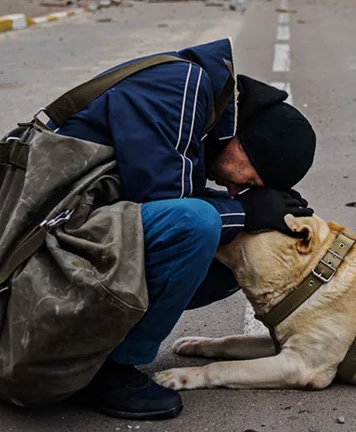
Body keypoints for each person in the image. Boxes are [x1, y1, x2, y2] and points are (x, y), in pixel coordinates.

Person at [55, 38, 317, 420]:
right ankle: (108, 373)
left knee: (233, 246)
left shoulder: (200, 104)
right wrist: (244, 210)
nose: (234, 188)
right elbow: (167, 206)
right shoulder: (182, 87)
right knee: (201, 224)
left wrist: (246, 217)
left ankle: (93, 342)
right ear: (245, 144)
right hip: (43, 235)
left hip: (76, 226)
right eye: (249, 179)